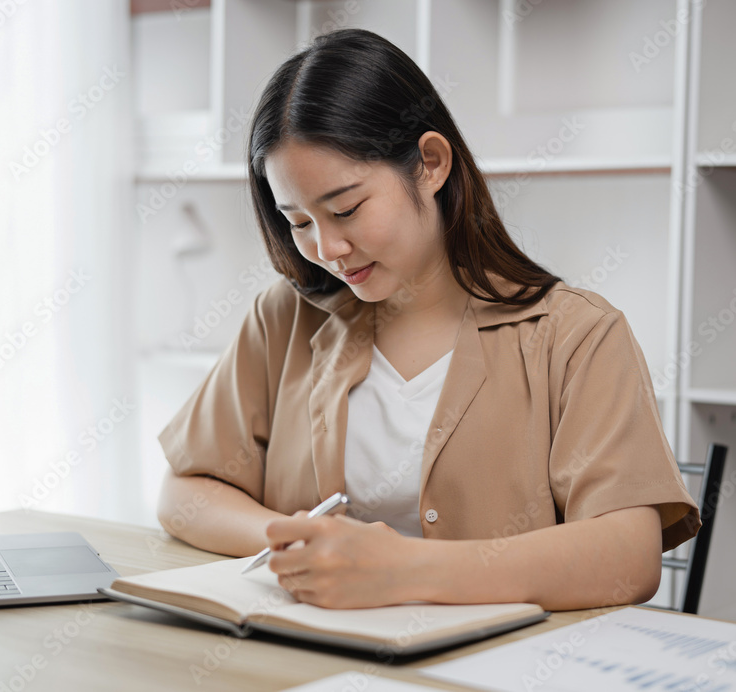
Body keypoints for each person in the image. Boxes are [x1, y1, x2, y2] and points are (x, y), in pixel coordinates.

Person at [157, 28, 700, 611]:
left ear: (431, 164)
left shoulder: (576, 336)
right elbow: (185, 490)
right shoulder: (284, 318)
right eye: (298, 221)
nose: (328, 247)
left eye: (346, 208)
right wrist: (307, 549)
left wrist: (402, 571)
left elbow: (628, 557)